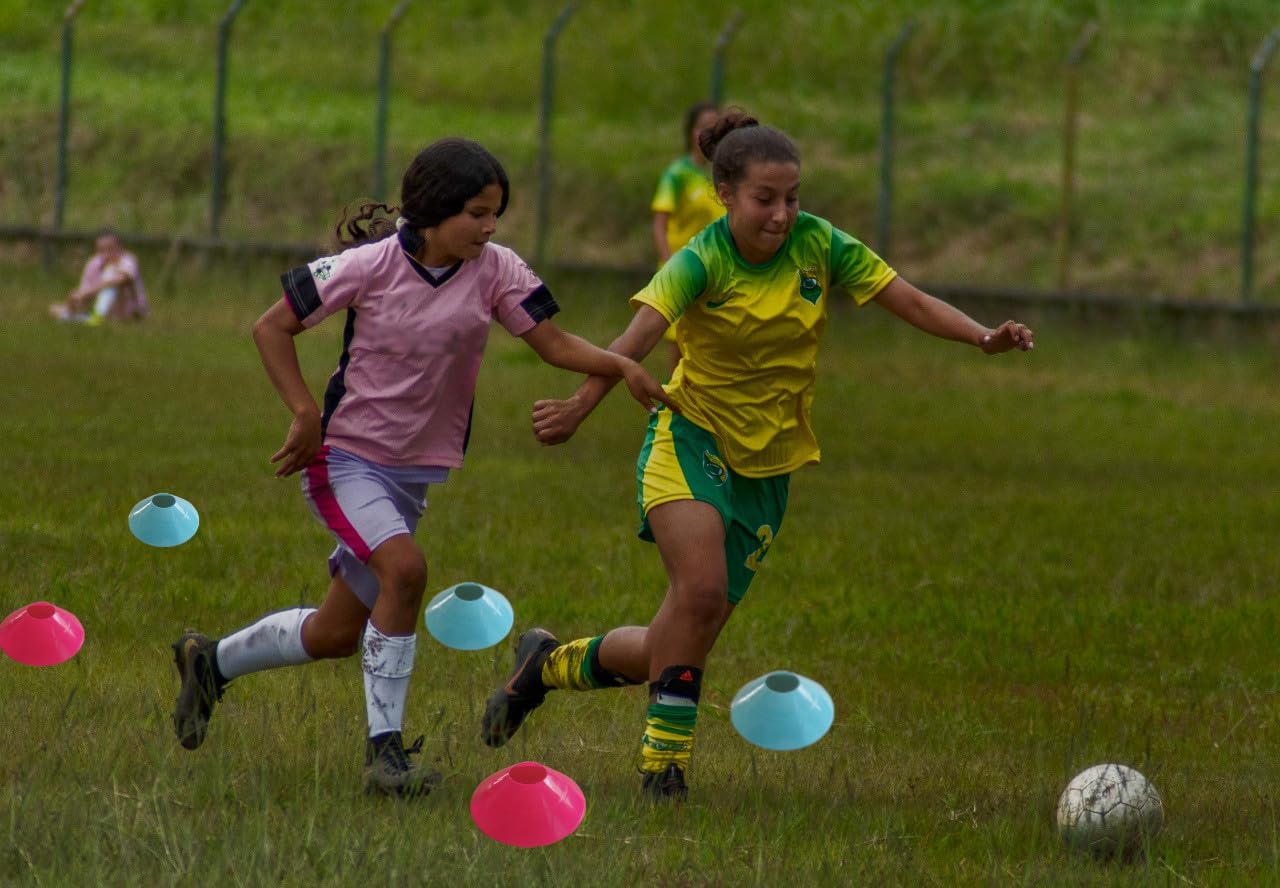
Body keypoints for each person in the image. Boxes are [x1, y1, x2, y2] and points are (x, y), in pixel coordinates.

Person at [480, 110, 1035, 802]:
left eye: (792, 197)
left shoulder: (820, 243)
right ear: (725, 193)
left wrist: (983, 337)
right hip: (690, 437)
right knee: (702, 592)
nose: (781, 214)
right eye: (764, 199)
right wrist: (577, 408)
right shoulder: (701, 259)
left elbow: (910, 300)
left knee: (673, 641)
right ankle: (664, 770)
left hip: (770, 467)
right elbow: (635, 339)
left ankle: (546, 666)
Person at [168, 137, 674, 799]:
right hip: (345, 460)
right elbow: (272, 327)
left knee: (335, 634)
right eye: (476, 212)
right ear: (433, 211)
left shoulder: (496, 270)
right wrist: (303, 412)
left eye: (497, 212)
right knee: (406, 571)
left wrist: (622, 365)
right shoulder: (369, 266)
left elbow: (551, 343)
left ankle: (211, 663)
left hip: (412, 475)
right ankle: (385, 755)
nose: (490, 226)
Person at [650, 100, 724, 372]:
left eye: (715, 128)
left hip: (716, 270)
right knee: (680, 345)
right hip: (682, 268)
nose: (709, 133)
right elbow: (660, 223)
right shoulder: (677, 174)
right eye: (703, 127)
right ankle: (674, 403)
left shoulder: (724, 175)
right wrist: (670, 264)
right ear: (691, 133)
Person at [48, 229, 148, 324]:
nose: (107, 254)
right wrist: (74, 303)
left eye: (111, 249)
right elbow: (85, 297)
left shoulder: (127, 260)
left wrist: (88, 291)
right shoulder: (94, 264)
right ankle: (88, 316)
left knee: (111, 274)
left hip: (132, 313)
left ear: (120, 248)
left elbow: (122, 279)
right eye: (102, 250)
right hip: (107, 313)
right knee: (56, 310)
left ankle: (98, 317)